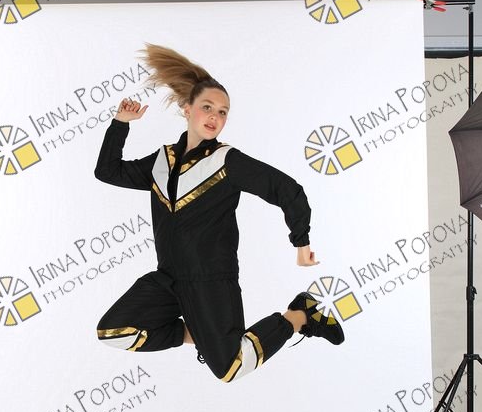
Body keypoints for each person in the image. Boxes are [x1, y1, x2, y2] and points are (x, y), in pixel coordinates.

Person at [94, 44, 343, 383]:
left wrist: (301, 243)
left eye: (223, 112)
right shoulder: (161, 161)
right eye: (207, 108)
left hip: (211, 282)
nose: (215, 117)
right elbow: (107, 171)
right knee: (113, 331)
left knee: (230, 368)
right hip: (168, 279)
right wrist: (120, 124)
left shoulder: (227, 161)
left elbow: (287, 190)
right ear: (187, 109)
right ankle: (202, 336)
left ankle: (300, 315)